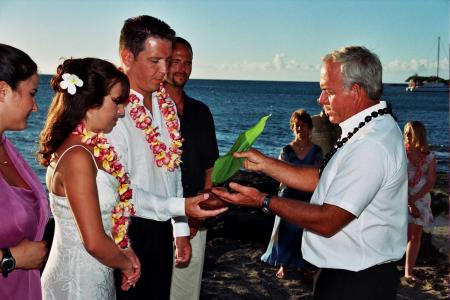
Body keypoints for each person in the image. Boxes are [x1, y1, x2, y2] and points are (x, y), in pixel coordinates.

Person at [213, 46, 408, 300]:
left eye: (328, 91)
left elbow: (328, 221)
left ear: (357, 92)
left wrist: (262, 200)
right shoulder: (369, 129)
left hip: (356, 282)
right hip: (350, 274)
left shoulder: (371, 144)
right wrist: (266, 163)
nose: (320, 100)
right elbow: (322, 178)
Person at [108, 16, 227, 300]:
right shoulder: (111, 111)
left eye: (167, 60)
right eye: (155, 61)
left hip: (163, 228)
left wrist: (180, 228)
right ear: (127, 57)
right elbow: (118, 191)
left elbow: (172, 171)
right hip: (124, 232)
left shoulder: (166, 106)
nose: (164, 71)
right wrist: (182, 207)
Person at [38, 58, 141, 299]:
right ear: (90, 103)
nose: (122, 111)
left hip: (96, 277)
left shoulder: (88, 149)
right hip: (77, 283)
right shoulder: (77, 157)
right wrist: (127, 265)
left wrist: (125, 251)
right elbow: (93, 241)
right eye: (116, 102)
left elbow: (105, 223)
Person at [165, 37, 220, 300]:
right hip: (155, 218)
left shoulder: (201, 112)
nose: (182, 69)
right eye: (176, 61)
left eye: (187, 63)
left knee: (186, 292)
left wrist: (201, 214)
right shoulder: (144, 112)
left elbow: (211, 167)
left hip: (196, 218)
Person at [0, 43, 49, 300]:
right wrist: (11, 258)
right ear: (2, 91)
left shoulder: (7, 149)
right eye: (32, 94)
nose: (36, 107)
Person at [261, 109, 322, 280]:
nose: (300, 129)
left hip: (308, 196)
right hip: (289, 195)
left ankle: (303, 265)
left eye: (303, 125)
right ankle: (283, 265)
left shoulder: (317, 151)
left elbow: (319, 177)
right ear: (292, 128)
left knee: (305, 232)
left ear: (309, 128)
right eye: (296, 126)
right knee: (286, 231)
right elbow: (280, 174)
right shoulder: (286, 150)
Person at [403, 121, 436, 282]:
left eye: (410, 132)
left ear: (419, 135)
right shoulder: (400, 153)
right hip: (400, 197)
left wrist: (414, 200)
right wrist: (408, 200)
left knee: (415, 237)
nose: (407, 135)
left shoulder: (429, 157)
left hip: (420, 198)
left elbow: (430, 181)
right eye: (406, 132)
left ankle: (408, 272)